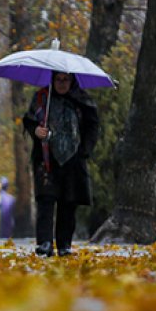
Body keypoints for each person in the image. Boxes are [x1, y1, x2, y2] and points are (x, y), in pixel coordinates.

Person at [23, 72, 99, 256]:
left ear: (72, 81)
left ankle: (64, 244)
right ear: (52, 79)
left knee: (68, 203)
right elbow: (29, 120)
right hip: (46, 158)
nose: (62, 84)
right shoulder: (42, 98)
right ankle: (45, 243)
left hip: (73, 159)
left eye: (66, 80)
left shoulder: (83, 100)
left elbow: (92, 126)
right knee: (46, 202)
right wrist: (36, 131)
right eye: (58, 79)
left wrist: (84, 151)